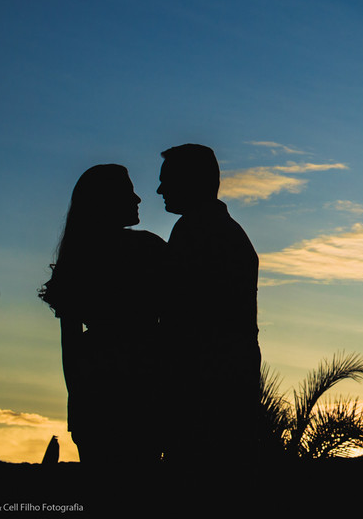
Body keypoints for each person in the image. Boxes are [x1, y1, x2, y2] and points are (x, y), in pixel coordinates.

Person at [39, 164, 165, 464]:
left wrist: (79, 400)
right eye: (128, 192)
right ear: (107, 201)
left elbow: (69, 346)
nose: (137, 199)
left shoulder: (79, 259)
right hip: (142, 393)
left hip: (95, 398)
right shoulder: (149, 249)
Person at [156, 144, 262, 463]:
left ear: (191, 181)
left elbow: (181, 316)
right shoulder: (217, 230)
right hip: (225, 381)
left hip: (206, 387)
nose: (160, 190)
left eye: (167, 181)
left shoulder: (197, 232)